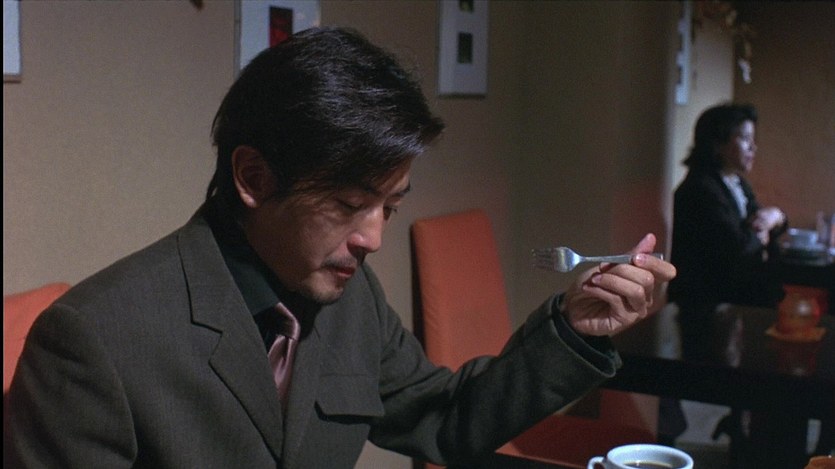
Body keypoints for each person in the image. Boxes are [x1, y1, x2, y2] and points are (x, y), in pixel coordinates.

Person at [4, 27, 675, 468]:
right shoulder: (95, 339)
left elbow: (445, 420)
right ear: (253, 178)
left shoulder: (347, 297)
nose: (373, 238)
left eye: (390, 207)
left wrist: (573, 328)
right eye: (349, 204)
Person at [662, 103, 788, 465]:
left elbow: (763, 228)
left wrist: (775, 217)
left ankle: (747, 430)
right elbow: (738, 250)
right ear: (717, 144)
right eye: (744, 139)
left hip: (737, 297)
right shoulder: (700, 190)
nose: (753, 147)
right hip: (706, 305)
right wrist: (764, 227)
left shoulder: (734, 183)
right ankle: (749, 433)